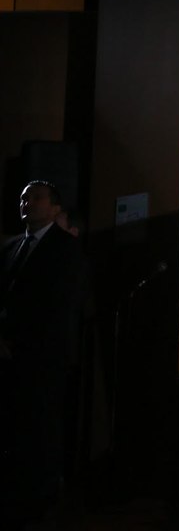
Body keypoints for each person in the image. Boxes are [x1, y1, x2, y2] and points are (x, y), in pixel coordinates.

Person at [0, 180, 83, 527]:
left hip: (42, 358)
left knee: (41, 428)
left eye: (35, 198)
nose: (27, 203)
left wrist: (21, 341)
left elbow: (58, 306)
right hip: (7, 357)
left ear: (55, 208)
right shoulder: (10, 247)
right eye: (22, 198)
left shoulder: (66, 248)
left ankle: (41, 499)